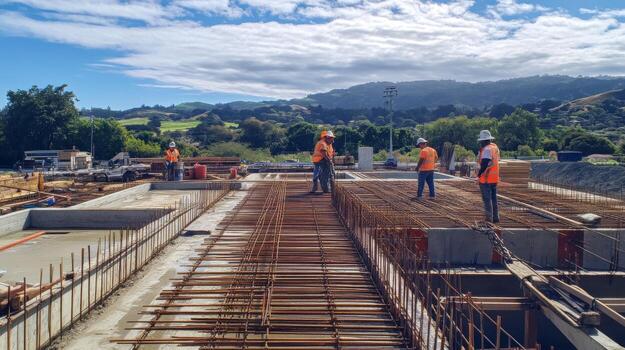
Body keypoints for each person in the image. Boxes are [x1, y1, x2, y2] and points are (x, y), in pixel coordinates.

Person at [477, 130, 500, 223]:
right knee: (494, 198)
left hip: (486, 179)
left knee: (487, 199)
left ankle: (489, 219)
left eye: (481, 141)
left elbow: (484, 164)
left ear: (484, 141)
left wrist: (479, 175)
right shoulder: (495, 147)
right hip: (494, 178)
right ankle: (496, 217)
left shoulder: (486, 149)